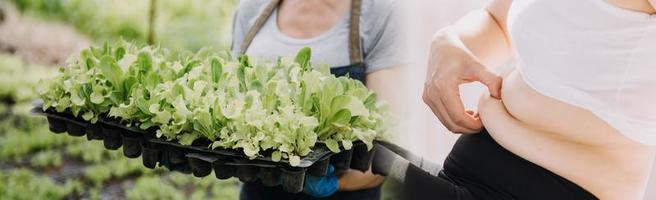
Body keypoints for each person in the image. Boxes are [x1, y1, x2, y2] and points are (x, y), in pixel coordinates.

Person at [405, 0, 656, 199]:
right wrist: (452, 41)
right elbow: (497, 22)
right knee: (367, 155)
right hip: (466, 170)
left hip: (549, 189)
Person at [230, 0, 407, 199]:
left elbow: (387, 153)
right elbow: (232, 103)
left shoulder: (380, 12)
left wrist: (330, 183)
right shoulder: (251, 8)